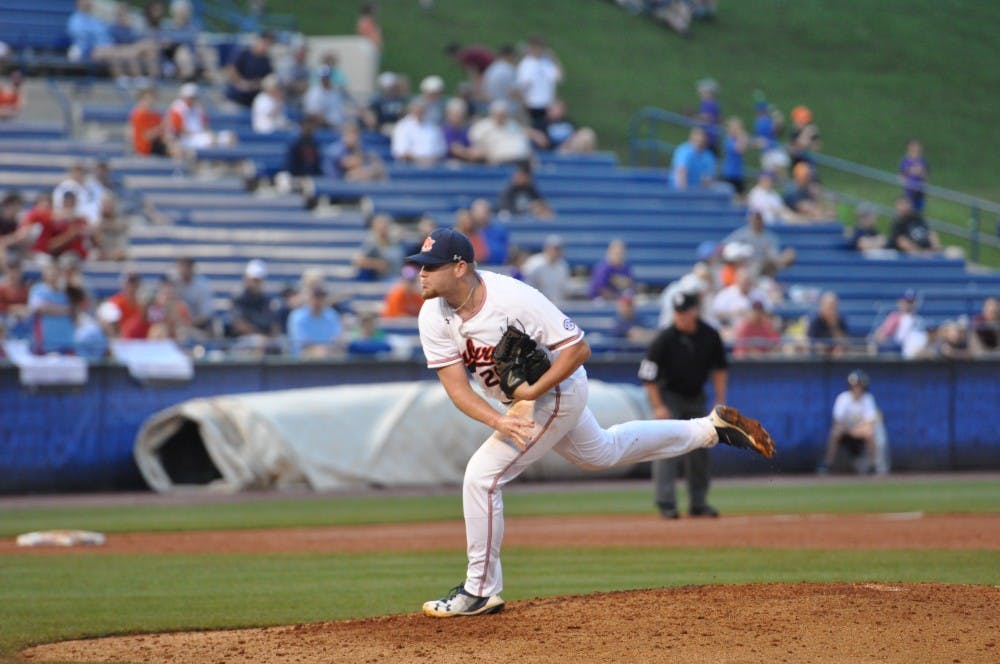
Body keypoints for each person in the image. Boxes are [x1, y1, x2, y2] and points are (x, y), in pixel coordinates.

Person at [408, 228, 775, 618]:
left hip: (560, 388)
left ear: (460, 267)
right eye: (421, 265)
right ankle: (710, 429)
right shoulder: (432, 315)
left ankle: (479, 591)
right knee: (603, 451)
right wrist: (501, 419)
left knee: (481, 476)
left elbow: (578, 349)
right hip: (523, 400)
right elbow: (458, 389)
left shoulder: (513, 298)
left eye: (431, 266)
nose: (421, 273)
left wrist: (533, 393)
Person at [640, 289, 730, 519]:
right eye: (677, 312)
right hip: (669, 397)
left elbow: (720, 369)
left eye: (684, 312)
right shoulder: (664, 338)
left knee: (702, 447)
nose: (680, 317)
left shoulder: (710, 335)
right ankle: (666, 502)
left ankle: (698, 502)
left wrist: (720, 400)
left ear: (695, 312)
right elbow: (648, 377)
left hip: (696, 397)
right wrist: (658, 406)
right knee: (666, 446)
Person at [817, 370, 880, 475]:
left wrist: (856, 430)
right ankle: (827, 464)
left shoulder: (868, 398)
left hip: (859, 432)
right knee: (835, 432)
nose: (857, 388)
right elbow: (837, 421)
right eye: (854, 386)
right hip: (846, 432)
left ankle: (872, 466)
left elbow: (870, 422)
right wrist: (850, 430)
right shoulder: (843, 398)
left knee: (870, 432)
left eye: (859, 385)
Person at [515, 35, 562, 131]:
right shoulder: (526, 64)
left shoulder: (547, 63)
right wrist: (524, 101)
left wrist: (554, 58)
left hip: (547, 104)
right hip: (531, 104)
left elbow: (559, 77)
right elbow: (522, 85)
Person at [468, 100, 535, 165]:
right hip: (498, 162)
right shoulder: (482, 127)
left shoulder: (512, 125)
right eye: (499, 113)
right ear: (492, 113)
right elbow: (474, 145)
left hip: (521, 160)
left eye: (504, 113)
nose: (501, 116)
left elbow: (524, 141)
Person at [287, 285, 343, 358]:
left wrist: (326, 350)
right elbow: (300, 343)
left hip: (329, 357)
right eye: (315, 297)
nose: (318, 301)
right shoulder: (297, 316)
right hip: (302, 361)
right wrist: (319, 351)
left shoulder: (332, 315)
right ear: (309, 298)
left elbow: (337, 339)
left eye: (321, 297)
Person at [224, 30, 275, 108]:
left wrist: (256, 84)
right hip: (236, 97)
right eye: (265, 43)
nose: (266, 46)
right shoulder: (244, 53)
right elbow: (231, 69)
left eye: (269, 44)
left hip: (253, 100)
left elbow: (268, 79)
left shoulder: (266, 61)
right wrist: (242, 83)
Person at [391, 100, 446, 165]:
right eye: (417, 109)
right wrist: (420, 159)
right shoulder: (402, 126)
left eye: (422, 109)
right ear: (411, 110)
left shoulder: (433, 127)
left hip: (433, 165)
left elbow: (441, 149)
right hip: (409, 166)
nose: (420, 112)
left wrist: (430, 159)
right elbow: (400, 152)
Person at [521, 234, 571, 305]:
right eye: (554, 248)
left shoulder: (563, 266)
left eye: (559, 249)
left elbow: (564, 290)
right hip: (536, 304)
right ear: (547, 248)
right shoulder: (534, 263)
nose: (556, 252)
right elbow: (525, 285)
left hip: (556, 306)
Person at [170, 256, 215, 334]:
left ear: (191, 268)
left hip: (198, 328)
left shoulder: (203, 287)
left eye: (185, 267)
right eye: (180, 267)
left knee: (183, 332)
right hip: (176, 326)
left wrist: (188, 323)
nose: (183, 270)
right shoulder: (174, 284)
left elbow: (206, 316)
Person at [130, 87, 174, 157]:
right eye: (148, 99)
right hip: (145, 148)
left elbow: (163, 133)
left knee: (176, 147)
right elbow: (146, 137)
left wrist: (167, 136)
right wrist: (161, 127)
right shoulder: (139, 115)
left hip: (157, 145)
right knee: (174, 150)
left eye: (152, 98)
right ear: (141, 100)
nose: (151, 101)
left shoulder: (155, 115)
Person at [808, 291, 850, 356]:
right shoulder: (815, 321)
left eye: (834, 307)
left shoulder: (840, 320)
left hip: (838, 358)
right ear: (822, 306)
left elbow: (845, 343)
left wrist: (833, 326)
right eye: (830, 307)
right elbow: (812, 344)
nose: (832, 310)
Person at [719, 117, 748, 195]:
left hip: (738, 173)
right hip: (729, 174)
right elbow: (739, 149)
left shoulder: (736, 140)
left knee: (741, 197)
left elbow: (743, 148)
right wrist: (742, 136)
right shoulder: (728, 140)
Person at [898, 139, 929, 212]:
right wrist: (910, 171)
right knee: (908, 211)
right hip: (909, 191)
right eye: (912, 146)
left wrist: (921, 172)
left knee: (918, 212)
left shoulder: (922, 160)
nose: (914, 148)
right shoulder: (905, 160)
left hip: (919, 191)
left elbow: (926, 176)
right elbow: (901, 176)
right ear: (908, 147)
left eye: (916, 146)